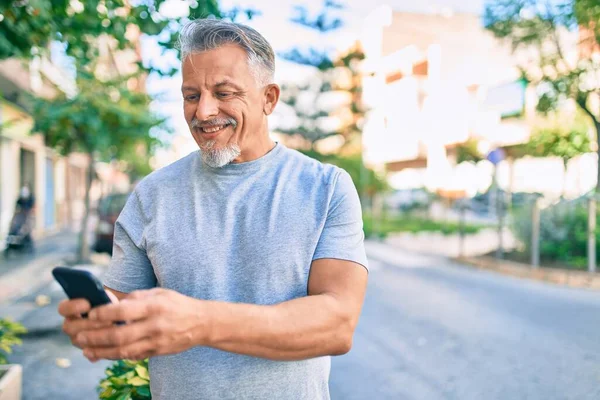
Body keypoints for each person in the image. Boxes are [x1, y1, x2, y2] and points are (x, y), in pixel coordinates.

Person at [58, 19, 368, 400]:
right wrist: (98, 323)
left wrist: (200, 323)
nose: (203, 111)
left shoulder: (326, 188)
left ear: (269, 98)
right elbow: (124, 308)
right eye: (191, 95)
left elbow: (336, 325)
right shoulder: (150, 195)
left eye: (224, 92)